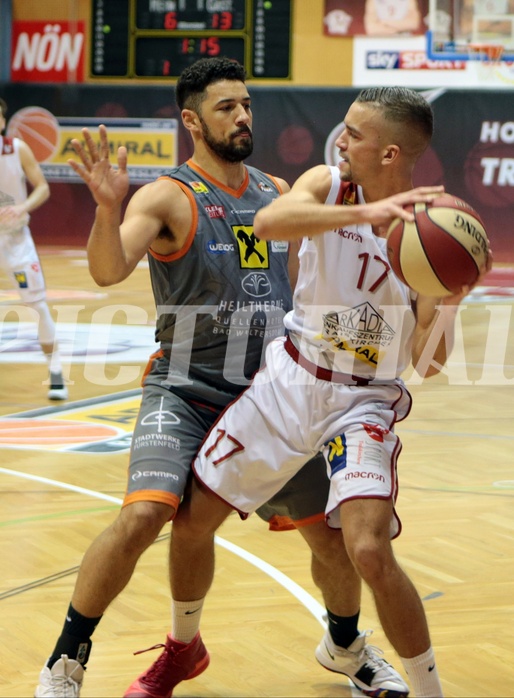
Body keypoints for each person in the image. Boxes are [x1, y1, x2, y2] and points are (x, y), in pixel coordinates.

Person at [34, 59, 412, 698]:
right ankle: (67, 661)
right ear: (191, 121)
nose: (242, 117)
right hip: (185, 389)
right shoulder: (166, 196)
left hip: (271, 394)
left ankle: (344, 646)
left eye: (246, 105)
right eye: (225, 108)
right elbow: (106, 269)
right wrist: (106, 207)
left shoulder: (279, 191)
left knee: (332, 541)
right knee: (145, 518)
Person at [169, 87, 491, 698]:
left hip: (365, 400)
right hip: (291, 379)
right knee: (192, 522)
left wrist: (449, 299)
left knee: (368, 549)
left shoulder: (434, 229)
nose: (340, 140)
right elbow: (268, 222)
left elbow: (427, 362)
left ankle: (429, 690)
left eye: (354, 134)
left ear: (391, 153)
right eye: (342, 128)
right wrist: (363, 216)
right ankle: (184, 645)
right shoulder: (328, 184)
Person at [0, 98, 68, 400]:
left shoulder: (17, 149)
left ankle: (55, 373)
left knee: (37, 305)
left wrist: (23, 207)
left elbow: (42, 186)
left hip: (14, 237)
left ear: (2, 122)